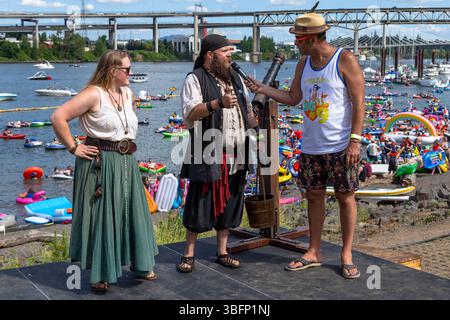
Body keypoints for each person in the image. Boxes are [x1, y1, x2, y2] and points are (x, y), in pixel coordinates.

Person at [246, 12, 365, 279]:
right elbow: (294, 97)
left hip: (341, 144)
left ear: (312, 38)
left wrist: (355, 141)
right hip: (311, 145)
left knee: (346, 196)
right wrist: (263, 89)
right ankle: (314, 251)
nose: (295, 44)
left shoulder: (344, 59)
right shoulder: (304, 63)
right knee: (313, 196)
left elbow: (359, 103)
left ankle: (346, 254)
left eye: (298, 39)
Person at [51, 50, 158, 292]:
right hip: (99, 161)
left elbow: (125, 128)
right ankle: (101, 273)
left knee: (131, 212)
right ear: (113, 71)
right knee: (102, 216)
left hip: (126, 160)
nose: (131, 73)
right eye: (127, 70)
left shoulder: (128, 93)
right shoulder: (93, 93)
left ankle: (140, 263)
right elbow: (58, 117)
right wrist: (73, 147)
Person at [177, 34, 258, 273]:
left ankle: (222, 251)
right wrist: (217, 103)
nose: (230, 56)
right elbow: (190, 114)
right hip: (209, 151)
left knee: (232, 199)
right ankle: (188, 253)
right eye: (225, 52)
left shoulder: (235, 79)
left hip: (238, 151)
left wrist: (261, 108)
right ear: (210, 55)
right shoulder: (195, 79)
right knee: (199, 201)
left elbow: (249, 117)